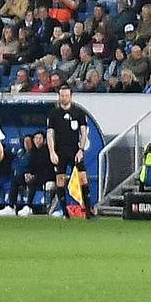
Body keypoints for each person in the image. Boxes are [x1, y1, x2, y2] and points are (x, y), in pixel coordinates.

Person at [46, 85, 93, 218]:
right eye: (62, 95)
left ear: (71, 96)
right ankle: (65, 213)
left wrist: (81, 149)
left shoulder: (78, 112)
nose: (64, 98)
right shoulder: (54, 114)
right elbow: (50, 134)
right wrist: (52, 152)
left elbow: (83, 132)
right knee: (60, 179)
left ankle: (88, 210)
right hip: (60, 151)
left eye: (66, 95)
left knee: (83, 178)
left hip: (74, 150)